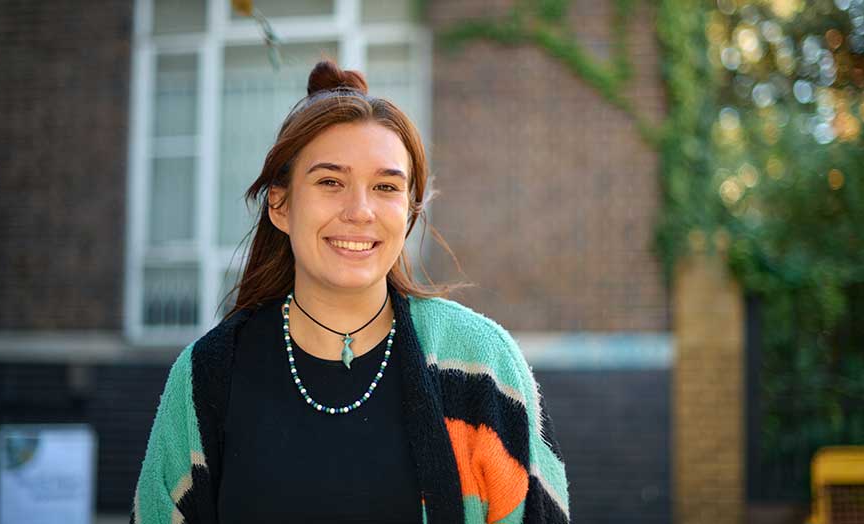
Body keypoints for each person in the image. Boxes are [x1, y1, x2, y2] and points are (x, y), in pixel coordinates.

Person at [130, 60, 570, 524]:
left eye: (385, 187)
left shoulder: (480, 365)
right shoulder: (205, 376)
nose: (360, 211)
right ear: (279, 204)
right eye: (330, 182)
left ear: (409, 211)